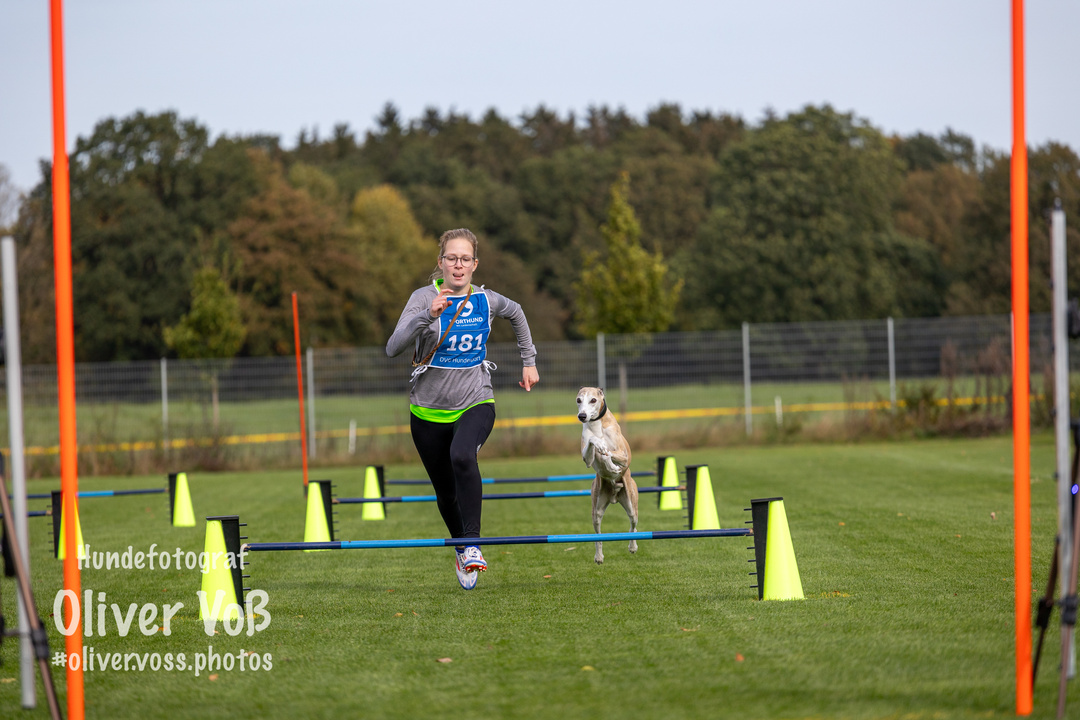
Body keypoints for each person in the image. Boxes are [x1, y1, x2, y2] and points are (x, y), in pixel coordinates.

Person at [386, 228, 539, 590]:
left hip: (476, 398)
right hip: (427, 411)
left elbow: (517, 313)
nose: (458, 265)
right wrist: (428, 315)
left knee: (463, 456)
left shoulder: (486, 299)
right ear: (440, 262)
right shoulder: (422, 297)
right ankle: (460, 547)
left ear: (474, 264)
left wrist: (528, 361)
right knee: (445, 492)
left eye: (465, 259)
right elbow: (393, 347)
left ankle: (473, 544)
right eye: (452, 258)